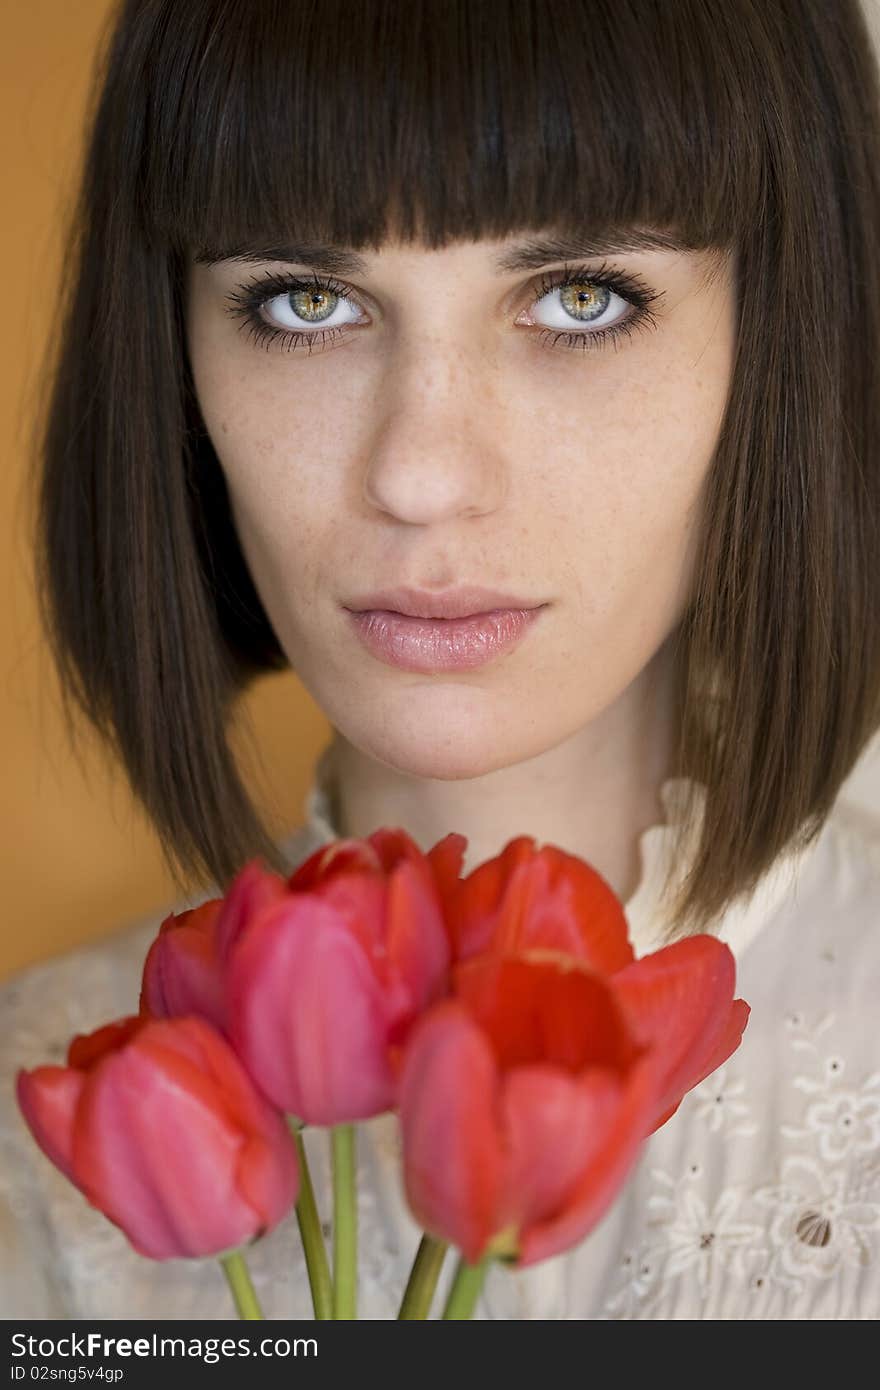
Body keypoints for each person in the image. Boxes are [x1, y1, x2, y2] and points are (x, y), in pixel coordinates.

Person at [2, 0, 879, 1320]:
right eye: (305, 300)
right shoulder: (39, 1130)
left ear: (781, 337)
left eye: (581, 297)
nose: (419, 474)